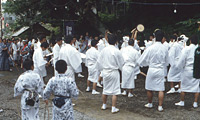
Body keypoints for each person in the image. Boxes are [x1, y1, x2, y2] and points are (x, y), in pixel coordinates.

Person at [137, 29, 168, 112]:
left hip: (152, 68)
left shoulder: (150, 48)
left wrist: (145, 64)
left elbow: (141, 60)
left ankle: (150, 103)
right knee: (161, 88)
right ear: (162, 38)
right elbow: (167, 61)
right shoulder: (164, 48)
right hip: (160, 69)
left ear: (154, 37)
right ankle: (160, 106)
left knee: (149, 87)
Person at [96, 34, 124, 113]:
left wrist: (101, 70)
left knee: (105, 89)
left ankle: (104, 105)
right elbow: (121, 62)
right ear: (116, 42)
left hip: (105, 71)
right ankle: (113, 107)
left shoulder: (104, 50)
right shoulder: (116, 51)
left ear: (107, 40)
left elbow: (99, 61)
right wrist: (121, 69)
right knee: (115, 91)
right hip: (114, 71)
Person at [175, 35, 200, 108]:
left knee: (184, 86)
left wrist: (180, 67)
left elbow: (182, 59)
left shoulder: (186, 49)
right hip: (196, 70)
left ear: (190, 41)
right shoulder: (198, 49)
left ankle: (182, 101)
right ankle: (195, 102)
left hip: (187, 69)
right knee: (197, 87)